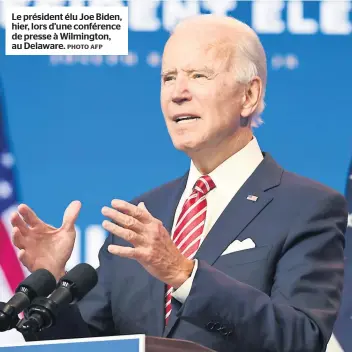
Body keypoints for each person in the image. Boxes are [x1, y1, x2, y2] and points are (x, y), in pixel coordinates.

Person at [11, 15, 348, 352]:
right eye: (168, 78)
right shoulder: (142, 218)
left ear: (249, 94)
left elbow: (301, 338)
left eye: (199, 75)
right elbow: (86, 345)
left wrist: (186, 274)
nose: (177, 93)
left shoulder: (308, 208)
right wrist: (51, 276)